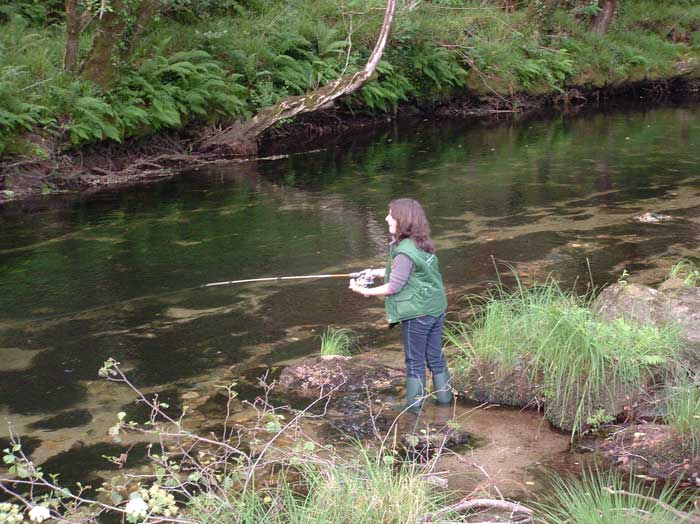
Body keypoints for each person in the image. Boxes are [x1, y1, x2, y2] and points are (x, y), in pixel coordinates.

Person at [349, 198, 452, 412]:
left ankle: (413, 409)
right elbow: (407, 272)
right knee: (435, 356)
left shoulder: (405, 250)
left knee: (415, 362)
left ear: (402, 219)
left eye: (390, 214)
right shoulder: (420, 242)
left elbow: (394, 286)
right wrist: (374, 272)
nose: (387, 217)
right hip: (435, 307)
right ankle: (446, 403)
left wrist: (364, 291)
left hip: (418, 313)